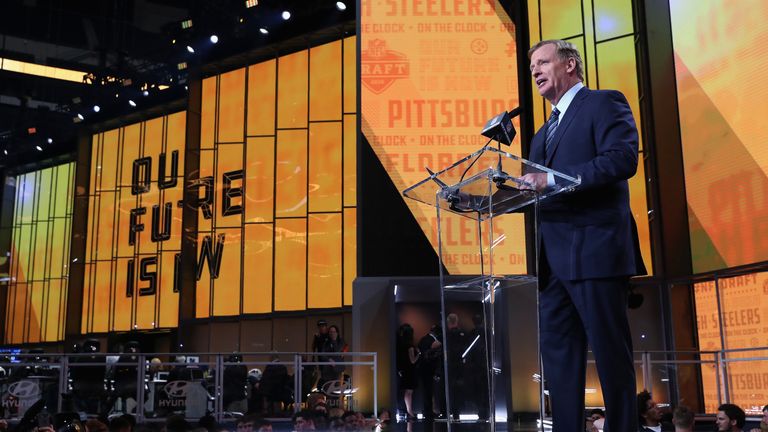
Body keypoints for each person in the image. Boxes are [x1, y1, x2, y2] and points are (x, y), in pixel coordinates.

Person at [521, 39, 646, 432]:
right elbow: (538, 189)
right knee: (559, 362)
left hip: (595, 250)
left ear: (570, 64)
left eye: (542, 62)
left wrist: (550, 179)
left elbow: (621, 159)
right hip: (553, 263)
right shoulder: (541, 135)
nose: (535, 71)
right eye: (531, 68)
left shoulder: (603, 102)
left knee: (610, 356)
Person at [396, 324, 419, 421]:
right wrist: (418, 354)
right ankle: (410, 412)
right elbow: (412, 360)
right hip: (410, 370)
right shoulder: (409, 346)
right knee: (409, 391)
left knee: (407, 391)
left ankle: (409, 411)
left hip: (404, 370)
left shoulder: (401, 344)